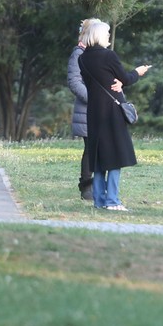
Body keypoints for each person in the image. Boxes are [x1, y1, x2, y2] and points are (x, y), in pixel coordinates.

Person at [78, 21, 151, 211]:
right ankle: (112, 200)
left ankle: (99, 200)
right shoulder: (108, 55)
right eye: (107, 33)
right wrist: (137, 72)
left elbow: (103, 80)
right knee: (115, 156)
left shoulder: (82, 59)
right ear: (99, 35)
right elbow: (125, 78)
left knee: (99, 158)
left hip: (94, 112)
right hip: (112, 111)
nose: (109, 36)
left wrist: (119, 81)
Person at [68, 18, 99, 201]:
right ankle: (86, 186)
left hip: (100, 108)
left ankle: (98, 185)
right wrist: (94, 98)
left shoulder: (99, 53)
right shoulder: (79, 54)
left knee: (98, 147)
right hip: (87, 109)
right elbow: (74, 82)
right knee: (90, 148)